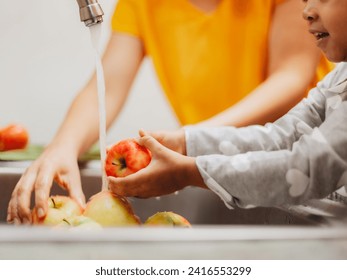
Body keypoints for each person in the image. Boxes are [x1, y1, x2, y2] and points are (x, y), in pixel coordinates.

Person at [7, 0, 332, 224]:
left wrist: (190, 142)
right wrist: (63, 146)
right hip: (210, 168)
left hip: (305, 170)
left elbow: (291, 76)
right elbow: (106, 88)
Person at [107, 0, 347, 210]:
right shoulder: (338, 79)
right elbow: (281, 137)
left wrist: (190, 172)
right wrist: (186, 142)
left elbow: (308, 166)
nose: (306, 11)